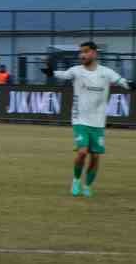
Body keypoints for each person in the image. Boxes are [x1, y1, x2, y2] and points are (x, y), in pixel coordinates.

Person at [50, 41, 131, 197]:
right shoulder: (76, 71)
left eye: (86, 51)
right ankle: (76, 180)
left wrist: (129, 85)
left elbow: (121, 81)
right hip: (80, 119)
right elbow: (64, 74)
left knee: (95, 156)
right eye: (81, 52)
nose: (82, 55)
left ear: (94, 53)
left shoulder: (106, 72)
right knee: (82, 152)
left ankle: (87, 185)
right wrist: (51, 72)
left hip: (98, 121)